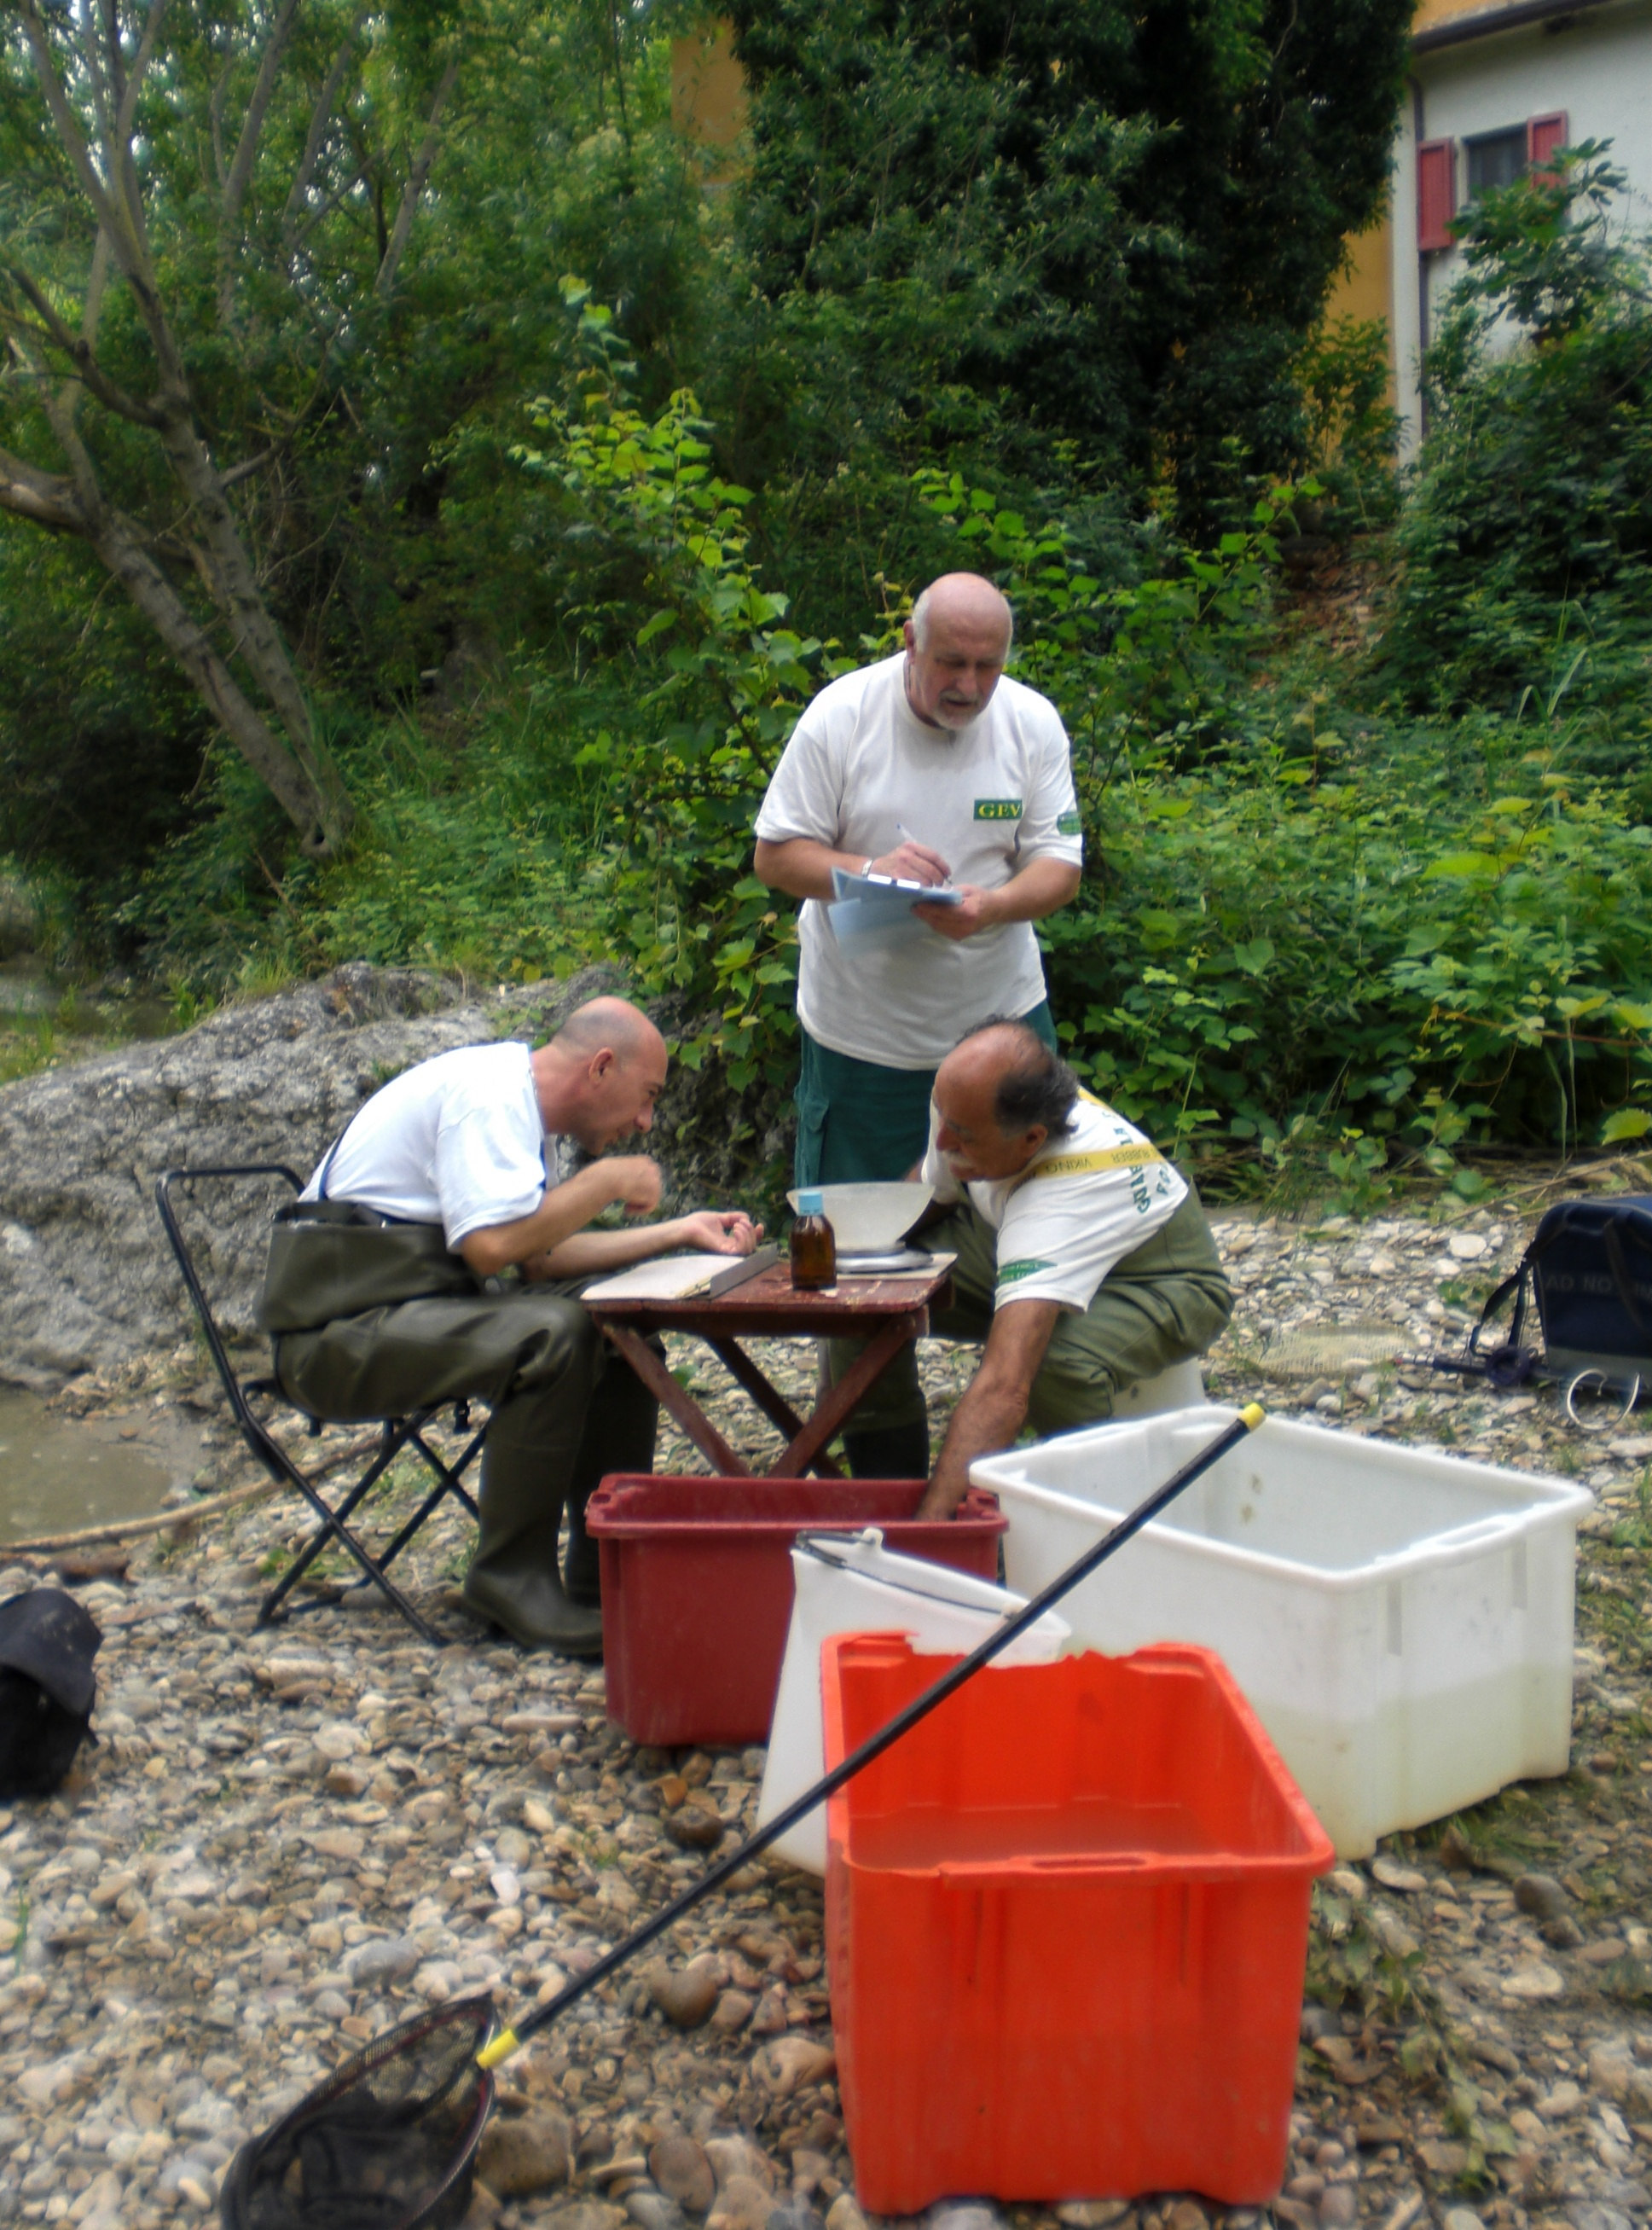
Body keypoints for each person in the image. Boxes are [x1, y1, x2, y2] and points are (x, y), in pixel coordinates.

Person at [270, 997, 759, 1657]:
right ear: (601, 1066)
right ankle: (509, 1577)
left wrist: (679, 1232)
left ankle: (604, 1570)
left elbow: (540, 1258)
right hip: (336, 1335)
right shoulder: (489, 1096)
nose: (644, 1121)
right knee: (552, 1333)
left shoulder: (528, 1120)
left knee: (615, 1324)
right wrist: (608, 1182)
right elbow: (491, 1250)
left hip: (410, 1311)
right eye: (646, 1097)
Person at [752, 571, 1083, 1477]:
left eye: (985, 664)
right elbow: (775, 854)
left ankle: (1036, 1469)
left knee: (1042, 1231)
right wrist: (869, 868)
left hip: (999, 1028)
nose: (967, 686)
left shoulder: (1029, 723)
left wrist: (992, 904)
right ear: (908, 640)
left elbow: (1059, 865)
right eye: (949, 662)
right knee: (853, 1265)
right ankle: (889, 1480)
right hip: (864, 1044)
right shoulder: (841, 716)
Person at [907, 1019, 1233, 1519]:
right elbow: (930, 1191)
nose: (944, 1139)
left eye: (965, 1137)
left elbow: (1003, 1388)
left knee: (1051, 1369)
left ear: (1032, 1139)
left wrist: (924, 1540)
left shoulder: (1058, 1200)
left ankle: (1099, 1520)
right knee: (875, 1289)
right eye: (942, 1115)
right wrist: (861, 1255)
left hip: (1157, 1274)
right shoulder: (963, 1102)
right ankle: (882, 1473)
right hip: (1004, 1232)